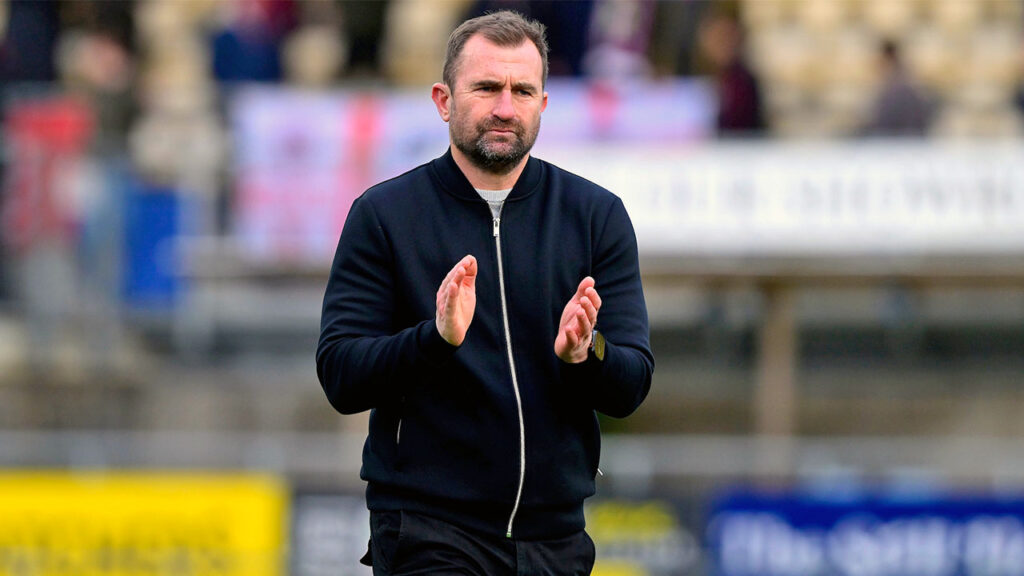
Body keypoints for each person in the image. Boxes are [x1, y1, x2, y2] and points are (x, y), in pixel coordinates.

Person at [316, 10, 653, 576]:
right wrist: (435, 339)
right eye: (487, 87)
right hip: (428, 531)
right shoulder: (384, 215)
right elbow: (341, 376)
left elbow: (631, 383)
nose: (505, 107)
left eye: (523, 91)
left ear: (543, 104)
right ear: (444, 100)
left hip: (556, 537)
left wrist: (584, 353)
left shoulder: (595, 217)